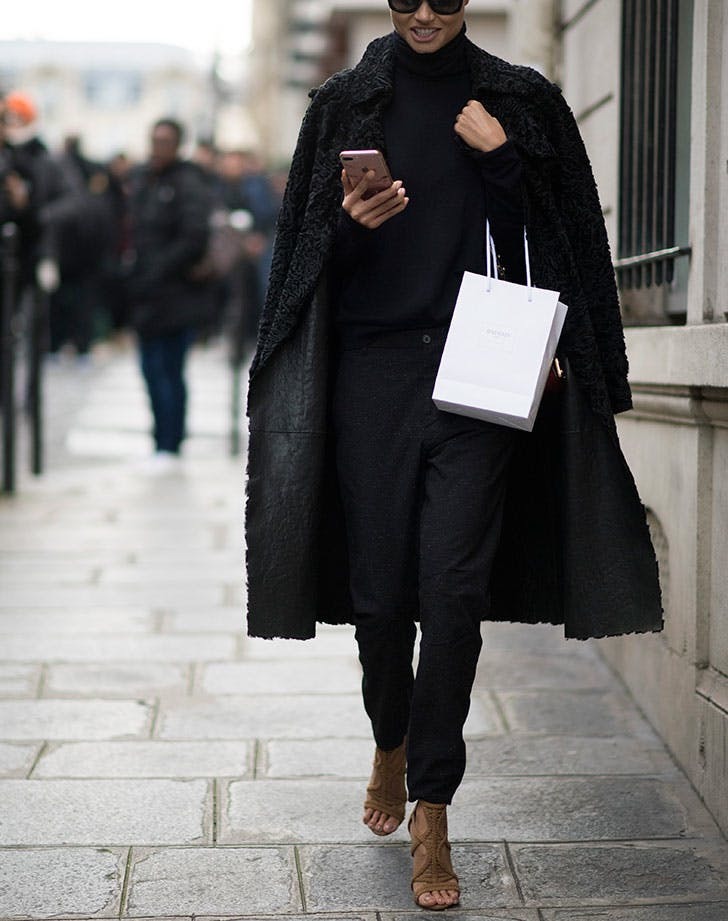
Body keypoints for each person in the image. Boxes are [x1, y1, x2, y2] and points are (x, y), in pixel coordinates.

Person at [245, 0, 663, 911]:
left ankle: (433, 801)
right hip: (371, 377)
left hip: (481, 370)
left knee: (455, 589)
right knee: (381, 593)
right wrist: (354, 225)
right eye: (404, 0)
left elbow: (562, 237)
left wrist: (505, 159)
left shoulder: (518, 98)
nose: (423, 14)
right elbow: (301, 257)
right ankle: (390, 739)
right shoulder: (344, 104)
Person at [125, 118, 213, 472]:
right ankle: (160, 439)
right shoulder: (146, 180)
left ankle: (170, 443)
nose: (157, 147)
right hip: (147, 295)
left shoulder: (187, 183)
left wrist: (159, 268)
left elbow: (193, 238)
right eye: (154, 139)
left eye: (164, 141)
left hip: (176, 296)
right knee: (150, 369)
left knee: (169, 371)